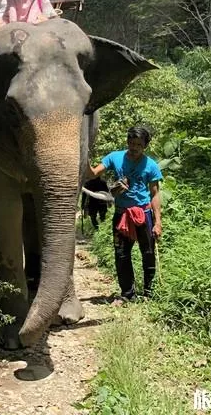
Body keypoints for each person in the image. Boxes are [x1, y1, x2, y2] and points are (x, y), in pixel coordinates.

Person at [87, 126, 163, 303]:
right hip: (122, 214)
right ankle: (127, 294)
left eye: (139, 144)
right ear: (127, 142)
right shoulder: (115, 157)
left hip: (143, 214)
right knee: (121, 253)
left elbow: (155, 194)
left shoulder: (151, 165)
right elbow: (93, 173)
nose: (134, 147)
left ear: (145, 146)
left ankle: (149, 293)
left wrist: (158, 222)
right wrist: (84, 159)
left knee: (148, 252)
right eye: (132, 143)